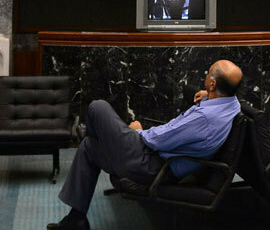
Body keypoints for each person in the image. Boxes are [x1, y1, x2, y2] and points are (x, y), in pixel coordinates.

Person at [47, 60, 243, 230]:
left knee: (98, 107)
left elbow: (158, 140)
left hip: (151, 164)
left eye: (208, 73)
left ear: (212, 82)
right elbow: (229, 96)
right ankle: (76, 220)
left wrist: (138, 130)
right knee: (90, 146)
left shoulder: (205, 118)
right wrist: (209, 95)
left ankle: (90, 133)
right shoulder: (230, 104)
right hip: (154, 158)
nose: (206, 76)